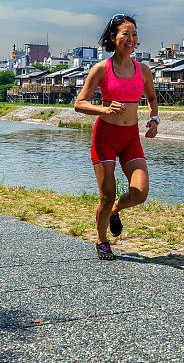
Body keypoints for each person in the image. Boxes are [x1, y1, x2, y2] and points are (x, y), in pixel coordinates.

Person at [74, 14, 159, 260]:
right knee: (106, 193)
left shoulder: (143, 70)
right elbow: (80, 103)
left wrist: (154, 119)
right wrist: (104, 108)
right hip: (105, 138)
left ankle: (115, 210)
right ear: (113, 38)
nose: (131, 39)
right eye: (125, 34)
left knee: (140, 193)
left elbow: (152, 99)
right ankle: (102, 241)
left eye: (134, 35)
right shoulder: (101, 68)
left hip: (131, 138)